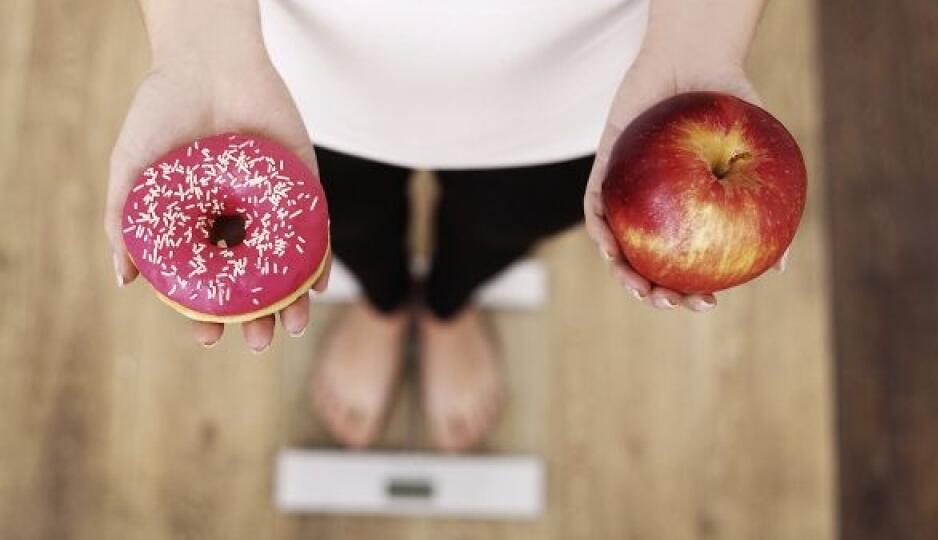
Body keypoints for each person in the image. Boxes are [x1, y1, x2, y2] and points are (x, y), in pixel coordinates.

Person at [105, 0, 783, 452]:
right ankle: (383, 300)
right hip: (276, 67)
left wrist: (700, 38)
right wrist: (197, 45)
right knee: (345, 222)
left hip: (593, 79)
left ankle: (450, 306)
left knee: (503, 222)